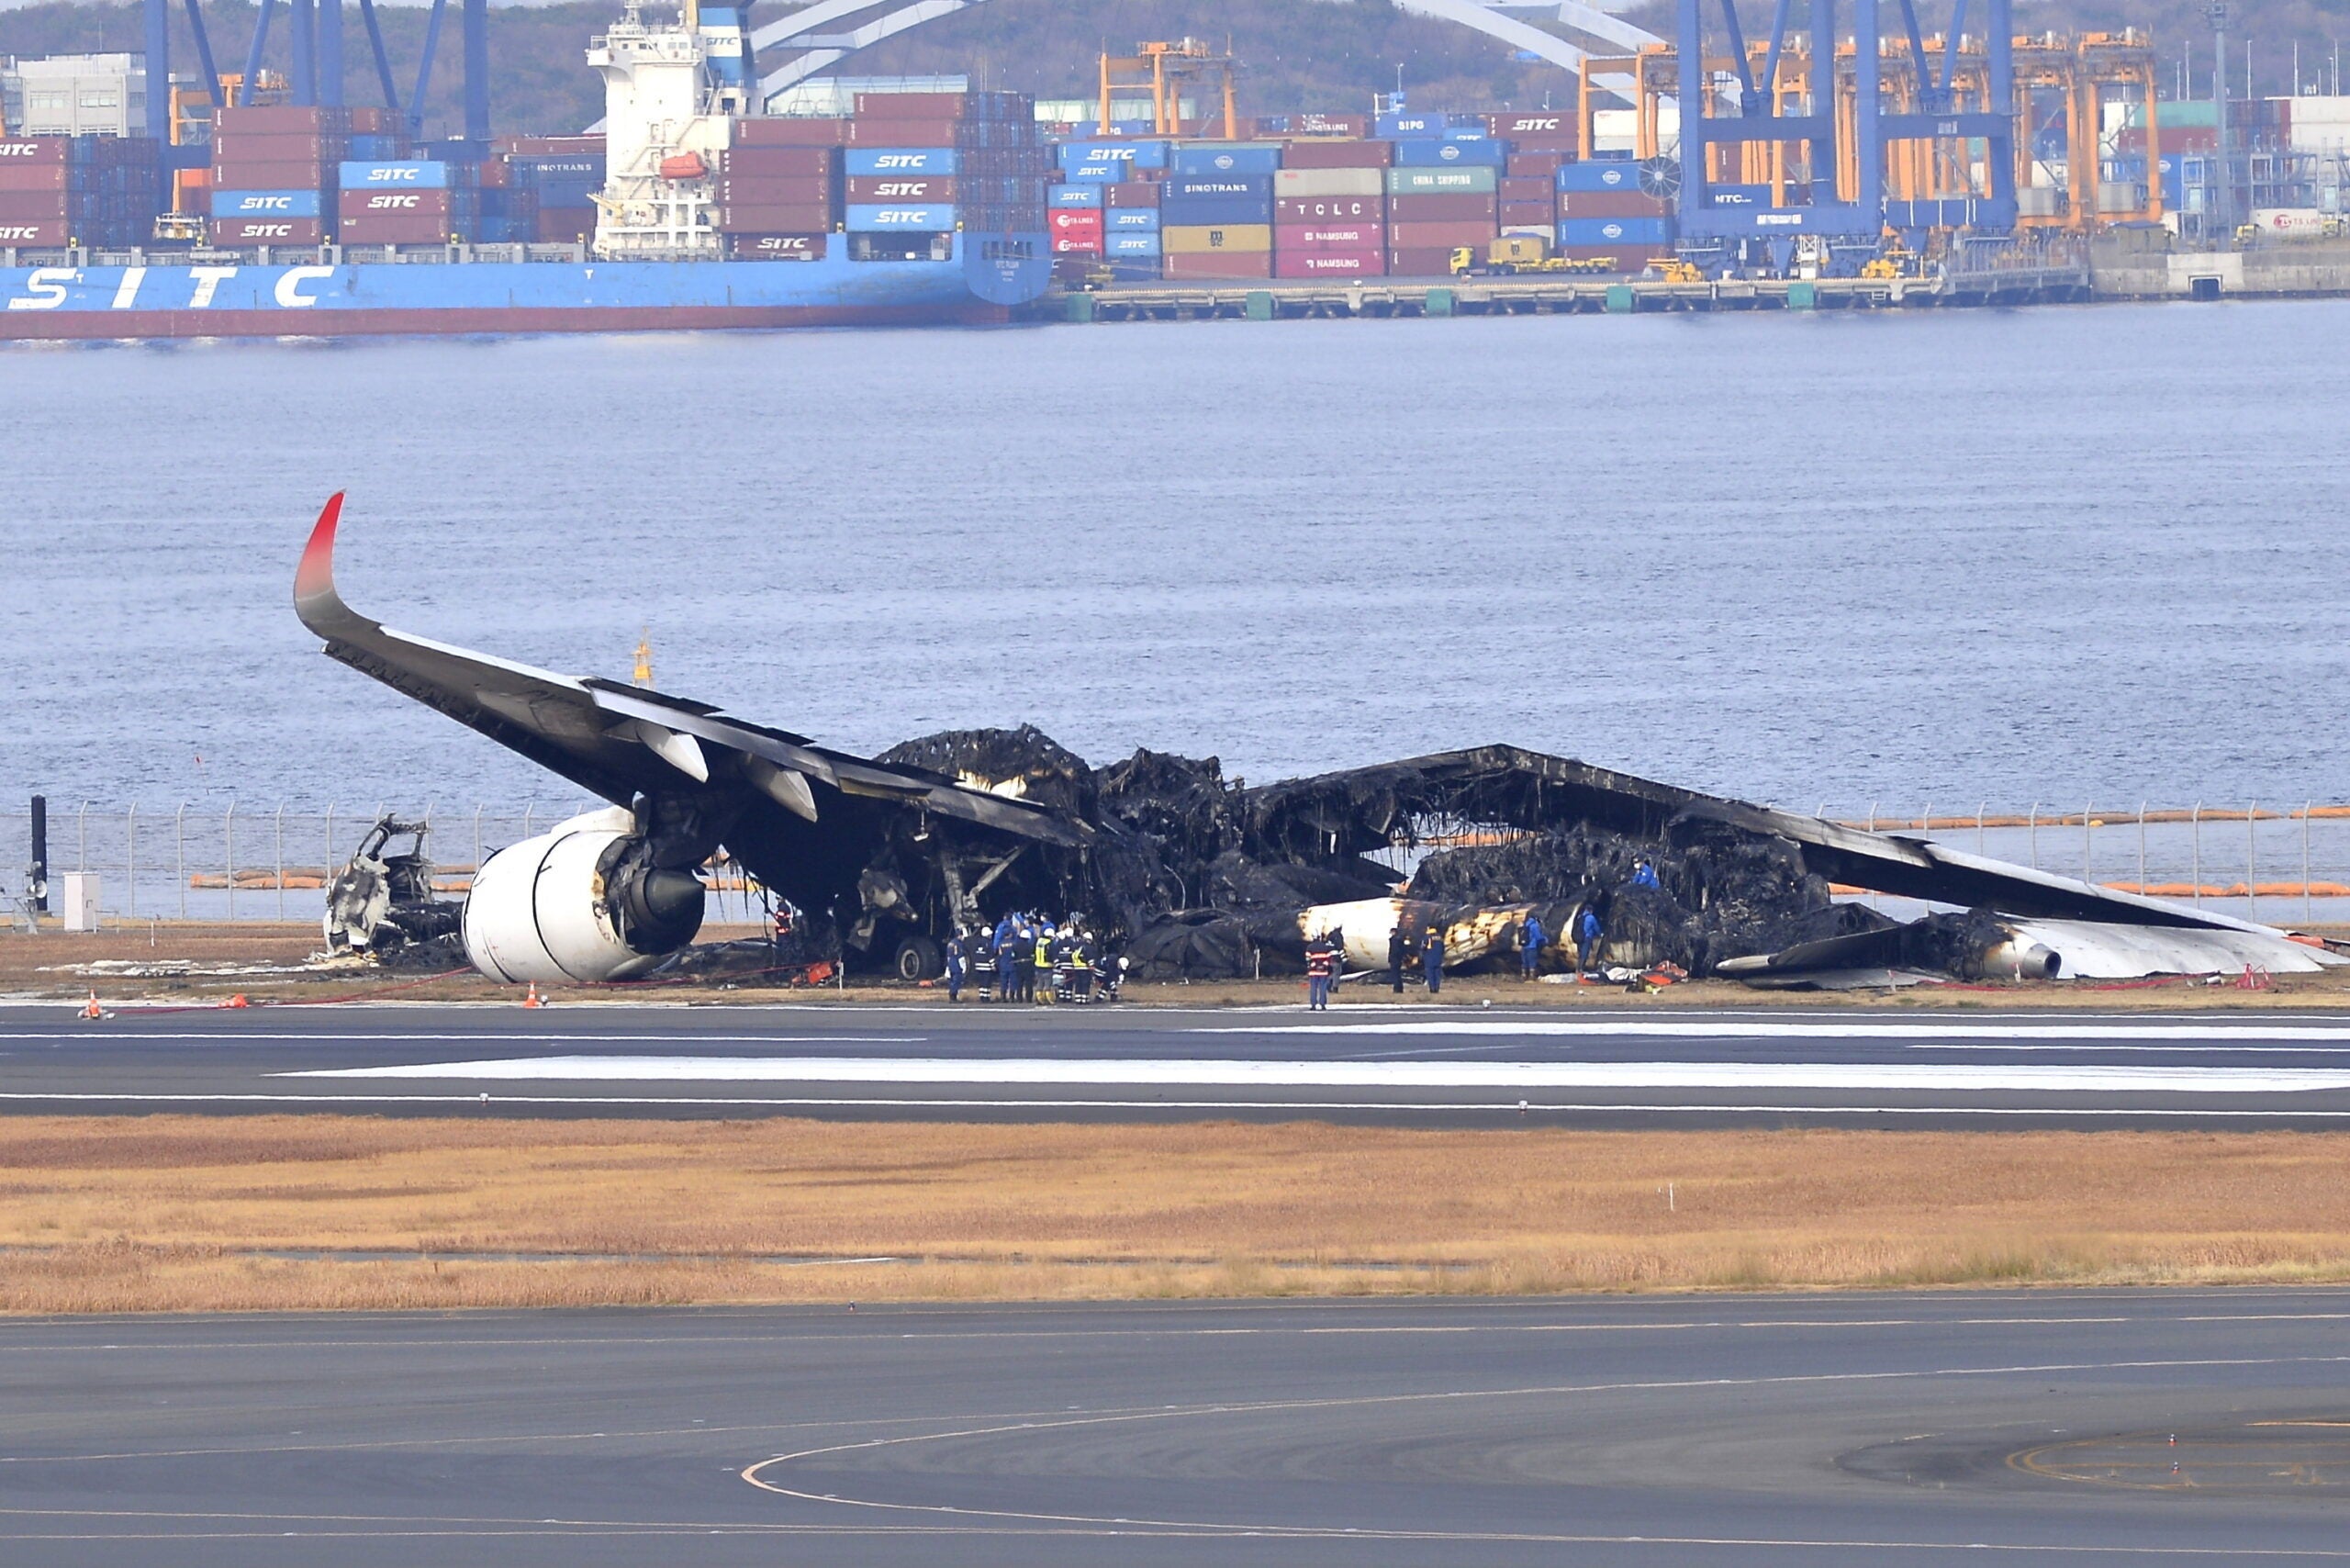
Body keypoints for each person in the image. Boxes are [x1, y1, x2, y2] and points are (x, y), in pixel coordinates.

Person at [1304, 933, 1337, 1011]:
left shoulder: (1310, 947)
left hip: (1313, 971)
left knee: (1313, 988)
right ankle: (1323, 1005)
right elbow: (1329, 958)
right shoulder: (1325, 947)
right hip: (1323, 971)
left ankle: (1313, 1005)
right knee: (1323, 988)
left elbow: (1308, 959)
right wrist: (1324, 965)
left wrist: (1312, 966)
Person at [972, 927, 998, 1002]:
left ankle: (982, 997)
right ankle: (986, 998)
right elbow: (990, 956)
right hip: (986, 967)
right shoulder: (989, 943)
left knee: (981, 983)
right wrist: (993, 965)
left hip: (979, 966)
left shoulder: (978, 943)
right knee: (987, 983)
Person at [1576, 904, 1604, 975]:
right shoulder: (1591, 918)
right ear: (1591, 910)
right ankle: (1581, 969)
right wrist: (1600, 934)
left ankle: (1578, 968)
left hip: (1579, 937)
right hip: (1587, 937)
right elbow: (1596, 927)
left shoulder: (1580, 917)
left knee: (1580, 953)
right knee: (1584, 953)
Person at [944, 926, 967, 1002]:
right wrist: (964, 967)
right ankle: (953, 997)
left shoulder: (950, 943)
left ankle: (951, 996)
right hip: (957, 965)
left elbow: (948, 956)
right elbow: (960, 956)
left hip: (951, 964)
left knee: (952, 981)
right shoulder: (959, 944)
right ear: (960, 935)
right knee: (957, 981)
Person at [1421, 926, 1446, 995]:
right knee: (1437, 975)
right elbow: (1443, 949)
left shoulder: (1427, 937)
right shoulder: (1440, 938)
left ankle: (1432, 989)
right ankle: (1437, 989)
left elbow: (1423, 947)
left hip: (1429, 959)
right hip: (1438, 959)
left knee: (1430, 975)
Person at [1520, 911, 1545, 980]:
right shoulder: (1534, 925)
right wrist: (1545, 939)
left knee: (1525, 961)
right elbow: (1538, 937)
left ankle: (1523, 975)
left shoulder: (1525, 924)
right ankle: (1532, 976)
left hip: (1524, 945)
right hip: (1532, 946)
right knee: (1532, 961)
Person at [1387, 924, 1410, 995]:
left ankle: (1397, 989)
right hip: (1398, 959)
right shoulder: (1400, 940)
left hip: (1395, 959)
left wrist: (1391, 957)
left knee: (1395, 974)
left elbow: (1394, 950)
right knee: (1398, 974)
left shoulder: (1394, 940)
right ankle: (1399, 988)